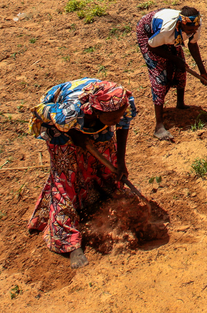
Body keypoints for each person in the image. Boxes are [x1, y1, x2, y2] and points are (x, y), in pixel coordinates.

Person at [27, 78, 137, 269]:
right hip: (58, 126)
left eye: (118, 117)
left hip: (89, 122)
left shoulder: (121, 103)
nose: (117, 121)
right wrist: (73, 133)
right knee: (66, 178)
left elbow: (122, 126)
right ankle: (68, 241)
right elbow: (39, 111)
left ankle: (101, 203)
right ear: (96, 111)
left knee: (106, 166)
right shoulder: (68, 114)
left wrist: (121, 163)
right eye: (112, 119)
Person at [136, 6, 207, 141]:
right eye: (189, 30)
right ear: (180, 24)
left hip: (168, 34)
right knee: (160, 77)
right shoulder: (166, 31)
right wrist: (175, 59)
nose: (192, 33)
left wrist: (203, 72)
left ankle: (180, 104)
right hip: (149, 34)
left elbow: (193, 45)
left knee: (180, 67)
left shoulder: (195, 24)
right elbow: (151, 46)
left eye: (194, 30)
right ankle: (159, 126)